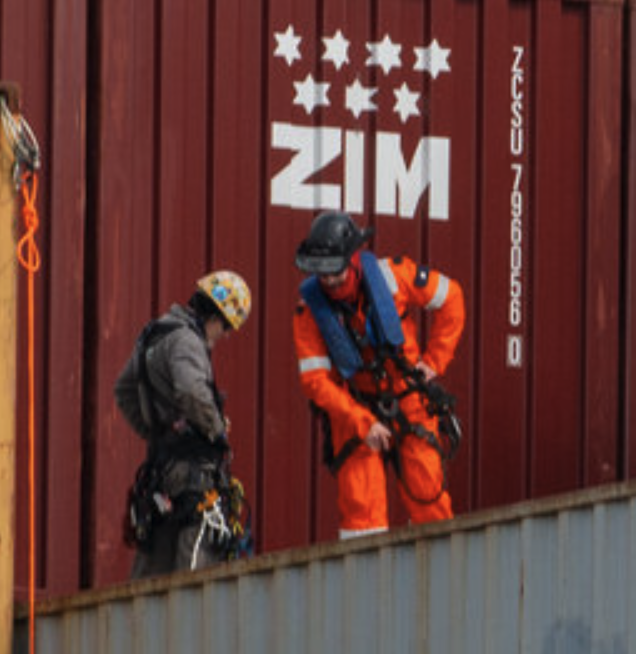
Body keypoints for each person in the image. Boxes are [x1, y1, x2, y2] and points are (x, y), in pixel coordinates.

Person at [288, 211, 466, 539]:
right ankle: (363, 587)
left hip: (410, 399)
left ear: (354, 258)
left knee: (429, 498)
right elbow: (315, 382)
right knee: (361, 515)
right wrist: (362, 421)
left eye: (335, 273)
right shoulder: (309, 312)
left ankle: (440, 582)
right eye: (322, 275)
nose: (329, 282)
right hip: (355, 407)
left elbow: (452, 298)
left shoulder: (394, 276)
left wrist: (434, 362)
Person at [113, 270, 254, 578]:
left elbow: (124, 391)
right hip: (192, 473)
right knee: (196, 564)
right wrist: (216, 431)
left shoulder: (156, 333)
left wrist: (156, 433)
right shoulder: (188, 341)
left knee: (155, 562)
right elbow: (192, 390)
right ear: (217, 317)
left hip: (160, 472)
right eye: (227, 328)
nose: (225, 336)